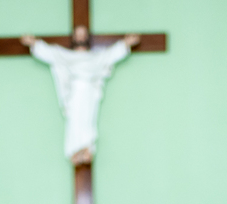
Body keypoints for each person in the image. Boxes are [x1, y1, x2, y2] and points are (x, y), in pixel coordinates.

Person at [20, 28, 141, 165]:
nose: (80, 36)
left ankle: (87, 146)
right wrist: (34, 43)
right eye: (78, 34)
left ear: (87, 37)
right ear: (74, 38)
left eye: (83, 34)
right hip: (74, 93)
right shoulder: (64, 55)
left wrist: (126, 43)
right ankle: (74, 149)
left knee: (88, 118)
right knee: (74, 119)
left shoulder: (96, 57)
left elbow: (111, 54)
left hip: (90, 92)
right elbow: (49, 53)